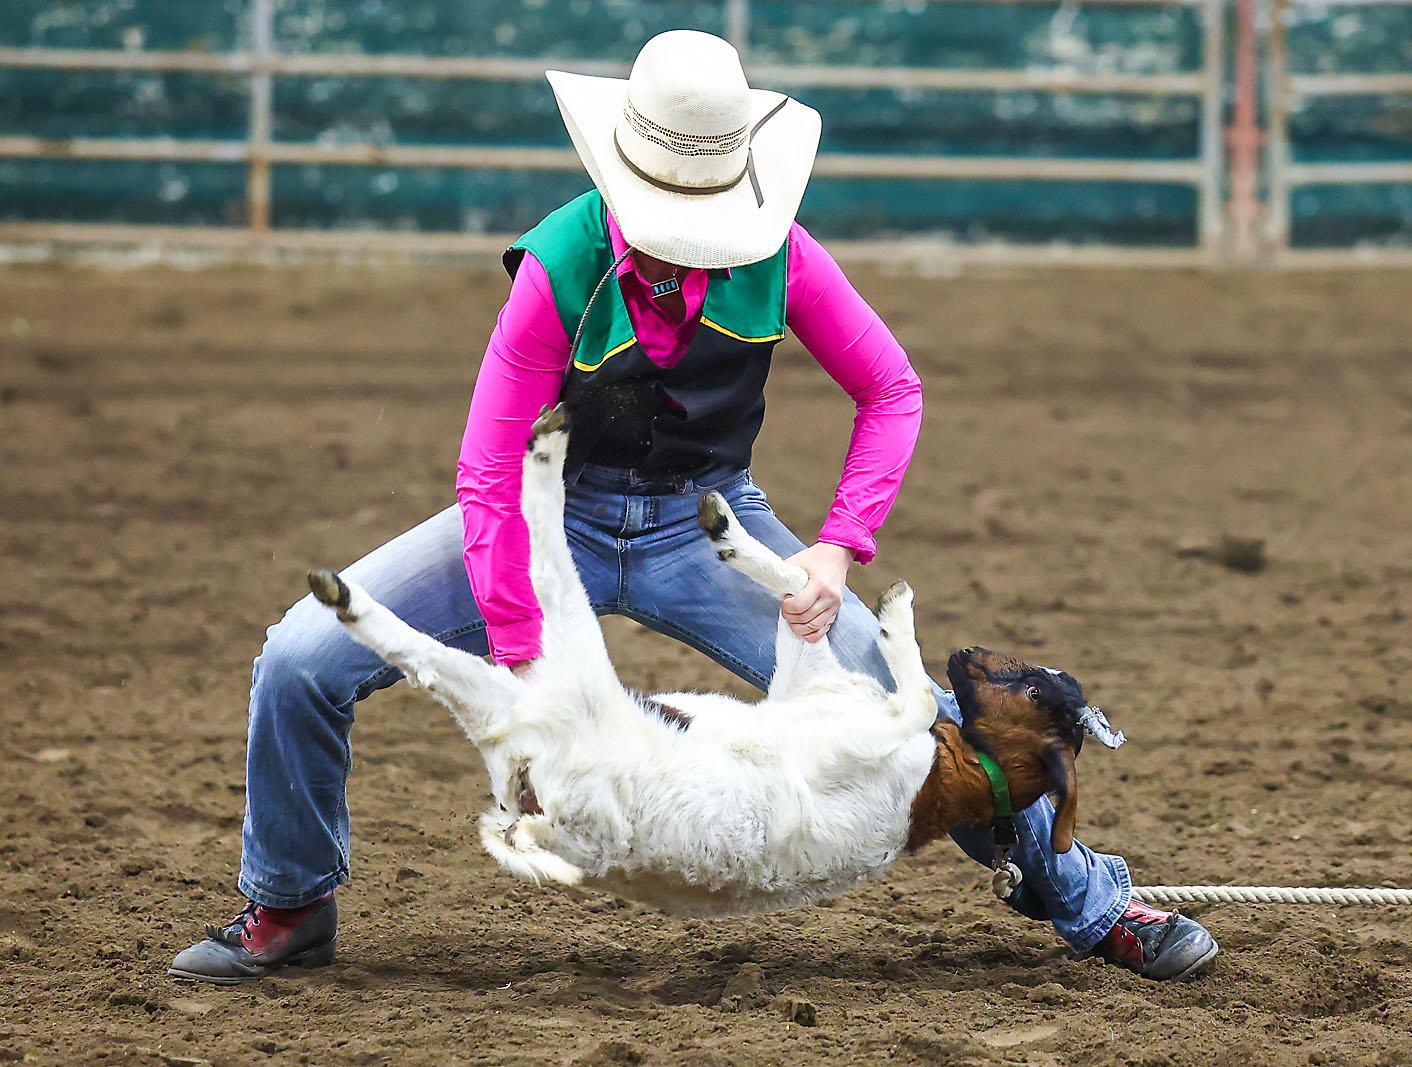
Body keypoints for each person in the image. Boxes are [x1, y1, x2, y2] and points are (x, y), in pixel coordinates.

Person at [169, 30, 1216, 986]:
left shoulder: (783, 255)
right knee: (303, 659)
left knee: (924, 734)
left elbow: (891, 388)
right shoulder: (556, 267)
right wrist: (530, 659)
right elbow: (491, 473)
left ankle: (1083, 896)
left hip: (706, 527)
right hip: (551, 524)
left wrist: (838, 547)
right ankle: (291, 898)